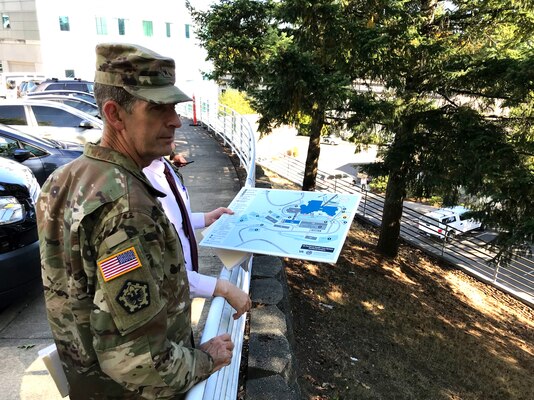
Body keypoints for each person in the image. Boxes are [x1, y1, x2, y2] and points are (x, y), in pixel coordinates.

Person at [36, 43, 234, 399]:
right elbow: (138, 362)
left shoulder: (64, 179)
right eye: (158, 108)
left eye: (173, 106)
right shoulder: (128, 207)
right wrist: (205, 359)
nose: (174, 119)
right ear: (115, 114)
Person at [144, 151, 252, 320]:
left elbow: (170, 221)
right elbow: (159, 275)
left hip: (180, 301)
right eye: (159, 122)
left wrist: (205, 218)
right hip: (163, 313)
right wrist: (222, 287)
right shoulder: (137, 185)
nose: (175, 123)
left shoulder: (164, 167)